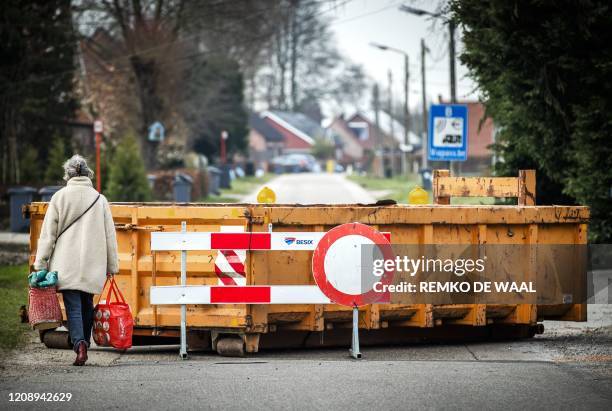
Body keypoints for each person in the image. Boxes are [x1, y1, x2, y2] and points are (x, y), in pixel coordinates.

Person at [33, 155, 118, 366]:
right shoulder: (100, 199)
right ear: (88, 173)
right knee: (87, 303)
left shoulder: (59, 198)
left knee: (73, 305)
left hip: (66, 263)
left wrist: (40, 264)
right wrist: (112, 265)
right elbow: (110, 236)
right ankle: (84, 343)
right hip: (93, 262)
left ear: (68, 174)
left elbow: (48, 235)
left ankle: (79, 345)